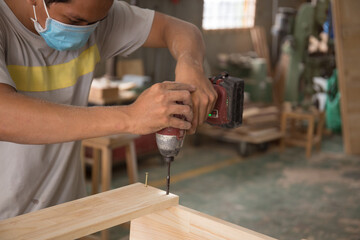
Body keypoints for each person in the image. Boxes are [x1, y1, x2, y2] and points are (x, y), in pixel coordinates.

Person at [0, 0, 217, 219]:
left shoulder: (94, 12)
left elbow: (181, 29)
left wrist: (190, 66)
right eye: (74, 20)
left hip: (64, 214)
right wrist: (130, 116)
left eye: (96, 22)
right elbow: (5, 116)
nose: (84, 31)